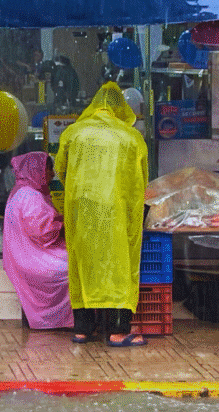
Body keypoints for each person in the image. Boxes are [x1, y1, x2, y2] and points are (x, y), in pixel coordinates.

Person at [54, 81, 148, 347]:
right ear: (121, 109)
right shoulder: (132, 138)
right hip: (117, 211)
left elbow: (61, 169)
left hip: (81, 210)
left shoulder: (73, 133)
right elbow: (142, 178)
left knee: (82, 264)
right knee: (118, 266)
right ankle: (118, 332)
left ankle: (83, 329)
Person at [2, 152, 73, 330]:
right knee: (78, 267)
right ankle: (71, 321)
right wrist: (64, 223)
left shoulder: (21, 192)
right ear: (36, 170)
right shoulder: (29, 195)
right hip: (35, 259)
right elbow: (43, 232)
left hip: (25, 256)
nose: (52, 174)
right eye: (48, 169)